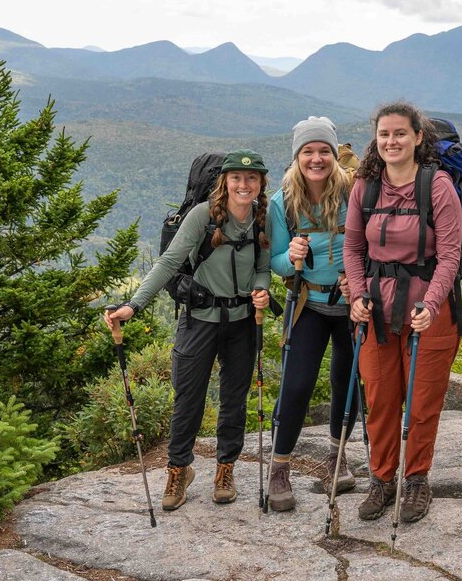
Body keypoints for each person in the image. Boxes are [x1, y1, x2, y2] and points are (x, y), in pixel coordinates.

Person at [104, 149, 272, 511]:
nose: (244, 184)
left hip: (243, 321)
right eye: (236, 178)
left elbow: (262, 266)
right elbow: (169, 262)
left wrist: (262, 288)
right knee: (188, 400)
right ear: (224, 182)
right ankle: (179, 469)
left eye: (251, 179)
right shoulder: (202, 216)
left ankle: (225, 469)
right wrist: (133, 305)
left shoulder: (263, 219)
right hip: (199, 320)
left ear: (261, 184)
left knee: (234, 400)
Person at [343, 101, 462, 524]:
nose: (391, 141)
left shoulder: (438, 186)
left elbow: (449, 257)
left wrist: (430, 305)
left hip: (428, 311)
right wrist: (356, 296)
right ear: (376, 140)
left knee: (422, 401)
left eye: (399, 133)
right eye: (384, 134)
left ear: (417, 138)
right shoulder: (365, 186)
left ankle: (416, 480)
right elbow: (353, 248)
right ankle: (381, 478)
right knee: (379, 397)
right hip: (375, 308)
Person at [265, 116, 356, 511]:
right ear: (297, 156)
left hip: (352, 304)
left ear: (334, 155)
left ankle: (337, 456)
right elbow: (277, 263)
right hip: (308, 303)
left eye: (323, 151)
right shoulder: (281, 201)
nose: (316, 159)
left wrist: (361, 279)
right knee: (296, 385)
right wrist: (291, 257)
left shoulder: (354, 192)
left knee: (349, 383)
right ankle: (279, 467)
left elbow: (369, 244)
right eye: (308, 151)